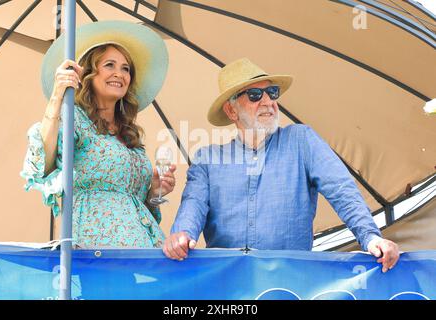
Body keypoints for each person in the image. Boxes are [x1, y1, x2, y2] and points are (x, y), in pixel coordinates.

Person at [163, 58, 400, 272]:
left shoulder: (301, 140)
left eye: (272, 92)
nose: (268, 101)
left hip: (293, 284)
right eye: (255, 95)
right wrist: (181, 235)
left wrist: (371, 237)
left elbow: (341, 188)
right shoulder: (207, 159)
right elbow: (192, 205)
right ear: (231, 110)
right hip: (229, 286)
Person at [21, 21, 175, 248]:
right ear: (89, 74)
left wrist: (154, 191)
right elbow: (44, 163)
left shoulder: (129, 134)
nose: (119, 74)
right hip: (96, 250)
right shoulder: (74, 119)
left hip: (141, 250)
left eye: (125, 68)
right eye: (109, 65)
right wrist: (57, 97)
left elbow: (141, 204)